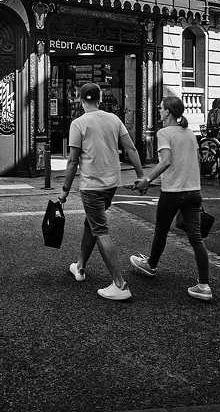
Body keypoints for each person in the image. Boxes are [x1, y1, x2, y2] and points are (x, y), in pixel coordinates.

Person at [57, 81, 146, 302]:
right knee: (92, 224)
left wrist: (65, 190)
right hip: (111, 184)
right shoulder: (114, 119)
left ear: (80, 99)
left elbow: (72, 162)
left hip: (92, 186)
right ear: (100, 98)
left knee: (100, 230)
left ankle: (120, 283)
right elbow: (131, 148)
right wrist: (141, 175)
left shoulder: (78, 124)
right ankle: (80, 267)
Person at [130, 95, 212, 302]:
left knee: (161, 231)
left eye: (160, 108)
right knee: (196, 239)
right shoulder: (190, 133)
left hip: (173, 192)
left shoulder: (164, 132)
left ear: (167, 112)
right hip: (194, 191)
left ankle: (151, 264)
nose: (158, 110)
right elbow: (196, 161)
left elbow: (166, 161)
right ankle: (204, 285)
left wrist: (147, 179)